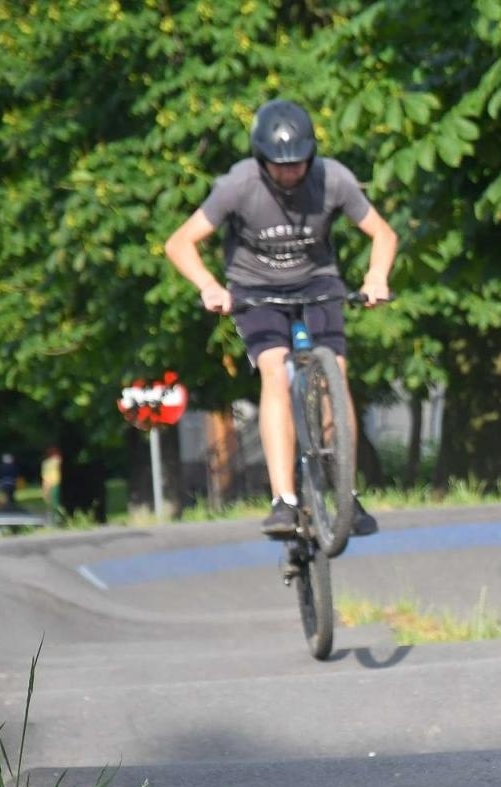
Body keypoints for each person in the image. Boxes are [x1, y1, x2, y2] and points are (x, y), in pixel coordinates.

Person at [164, 99, 395, 537]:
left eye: (298, 164)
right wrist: (209, 286)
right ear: (261, 159)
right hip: (255, 289)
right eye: (279, 166)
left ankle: (345, 493)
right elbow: (179, 243)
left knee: (336, 372)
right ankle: (284, 500)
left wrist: (376, 276)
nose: (290, 173)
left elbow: (383, 233)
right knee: (274, 370)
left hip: (317, 281)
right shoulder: (238, 185)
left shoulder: (333, 179)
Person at [40, 446, 62, 525]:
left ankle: (54, 519)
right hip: (53, 484)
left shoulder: (46, 463)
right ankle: (55, 519)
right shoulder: (53, 462)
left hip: (52, 484)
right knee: (54, 503)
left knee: (52, 503)